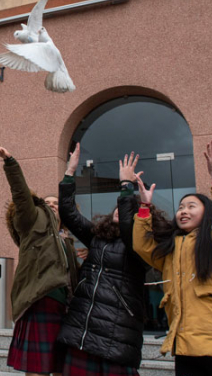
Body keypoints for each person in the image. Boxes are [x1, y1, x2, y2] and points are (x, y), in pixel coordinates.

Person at [132, 140, 212, 376]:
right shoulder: (171, 249)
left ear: (207, 213)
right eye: (181, 207)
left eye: (191, 206)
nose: (183, 211)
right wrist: (144, 206)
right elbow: (141, 245)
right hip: (186, 350)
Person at [56, 147, 150, 375]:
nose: (120, 209)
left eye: (126, 207)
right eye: (119, 206)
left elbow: (129, 229)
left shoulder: (143, 245)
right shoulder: (98, 236)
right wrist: (69, 172)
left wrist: (126, 187)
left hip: (116, 335)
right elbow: (69, 214)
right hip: (83, 329)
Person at [0, 141, 77, 376]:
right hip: (39, 299)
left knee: (60, 367)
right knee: (37, 368)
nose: (52, 206)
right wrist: (10, 162)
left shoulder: (67, 243)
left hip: (65, 306)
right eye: (48, 203)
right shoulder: (32, 221)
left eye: (56, 203)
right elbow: (20, 194)